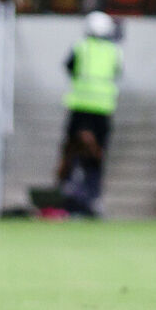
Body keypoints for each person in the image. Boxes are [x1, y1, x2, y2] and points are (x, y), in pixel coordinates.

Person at [56, 11, 122, 216]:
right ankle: (93, 197)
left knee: (72, 152)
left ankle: (68, 193)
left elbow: (68, 67)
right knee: (96, 156)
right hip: (102, 110)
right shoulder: (114, 51)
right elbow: (117, 73)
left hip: (80, 108)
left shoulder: (80, 47)